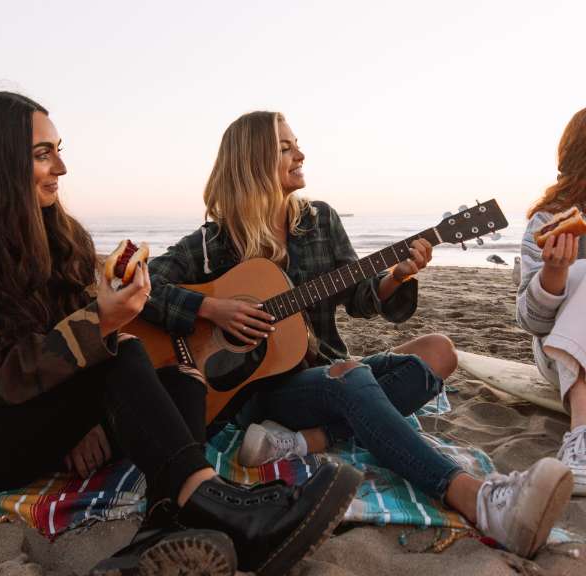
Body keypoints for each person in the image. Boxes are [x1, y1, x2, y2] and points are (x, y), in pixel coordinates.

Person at [0, 92, 363, 576]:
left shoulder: (55, 236)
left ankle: (161, 529)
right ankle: (215, 503)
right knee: (122, 350)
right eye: (42, 154)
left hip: (35, 418)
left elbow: (71, 346)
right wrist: (101, 323)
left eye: (59, 151)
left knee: (181, 371)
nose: (61, 168)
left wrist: (90, 414)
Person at [143, 110, 574, 558]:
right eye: (285, 148)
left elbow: (361, 298)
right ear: (252, 161)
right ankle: (475, 497)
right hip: (258, 393)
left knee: (439, 351)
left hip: (326, 369)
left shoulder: (320, 220)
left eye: (297, 145)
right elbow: (144, 284)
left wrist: (397, 276)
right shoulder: (214, 243)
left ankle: (303, 442)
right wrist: (213, 308)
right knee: (350, 376)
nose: (300, 155)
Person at [517, 106, 586, 496]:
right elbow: (532, 322)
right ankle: (582, 438)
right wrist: (554, 274)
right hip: (560, 355)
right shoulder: (548, 222)